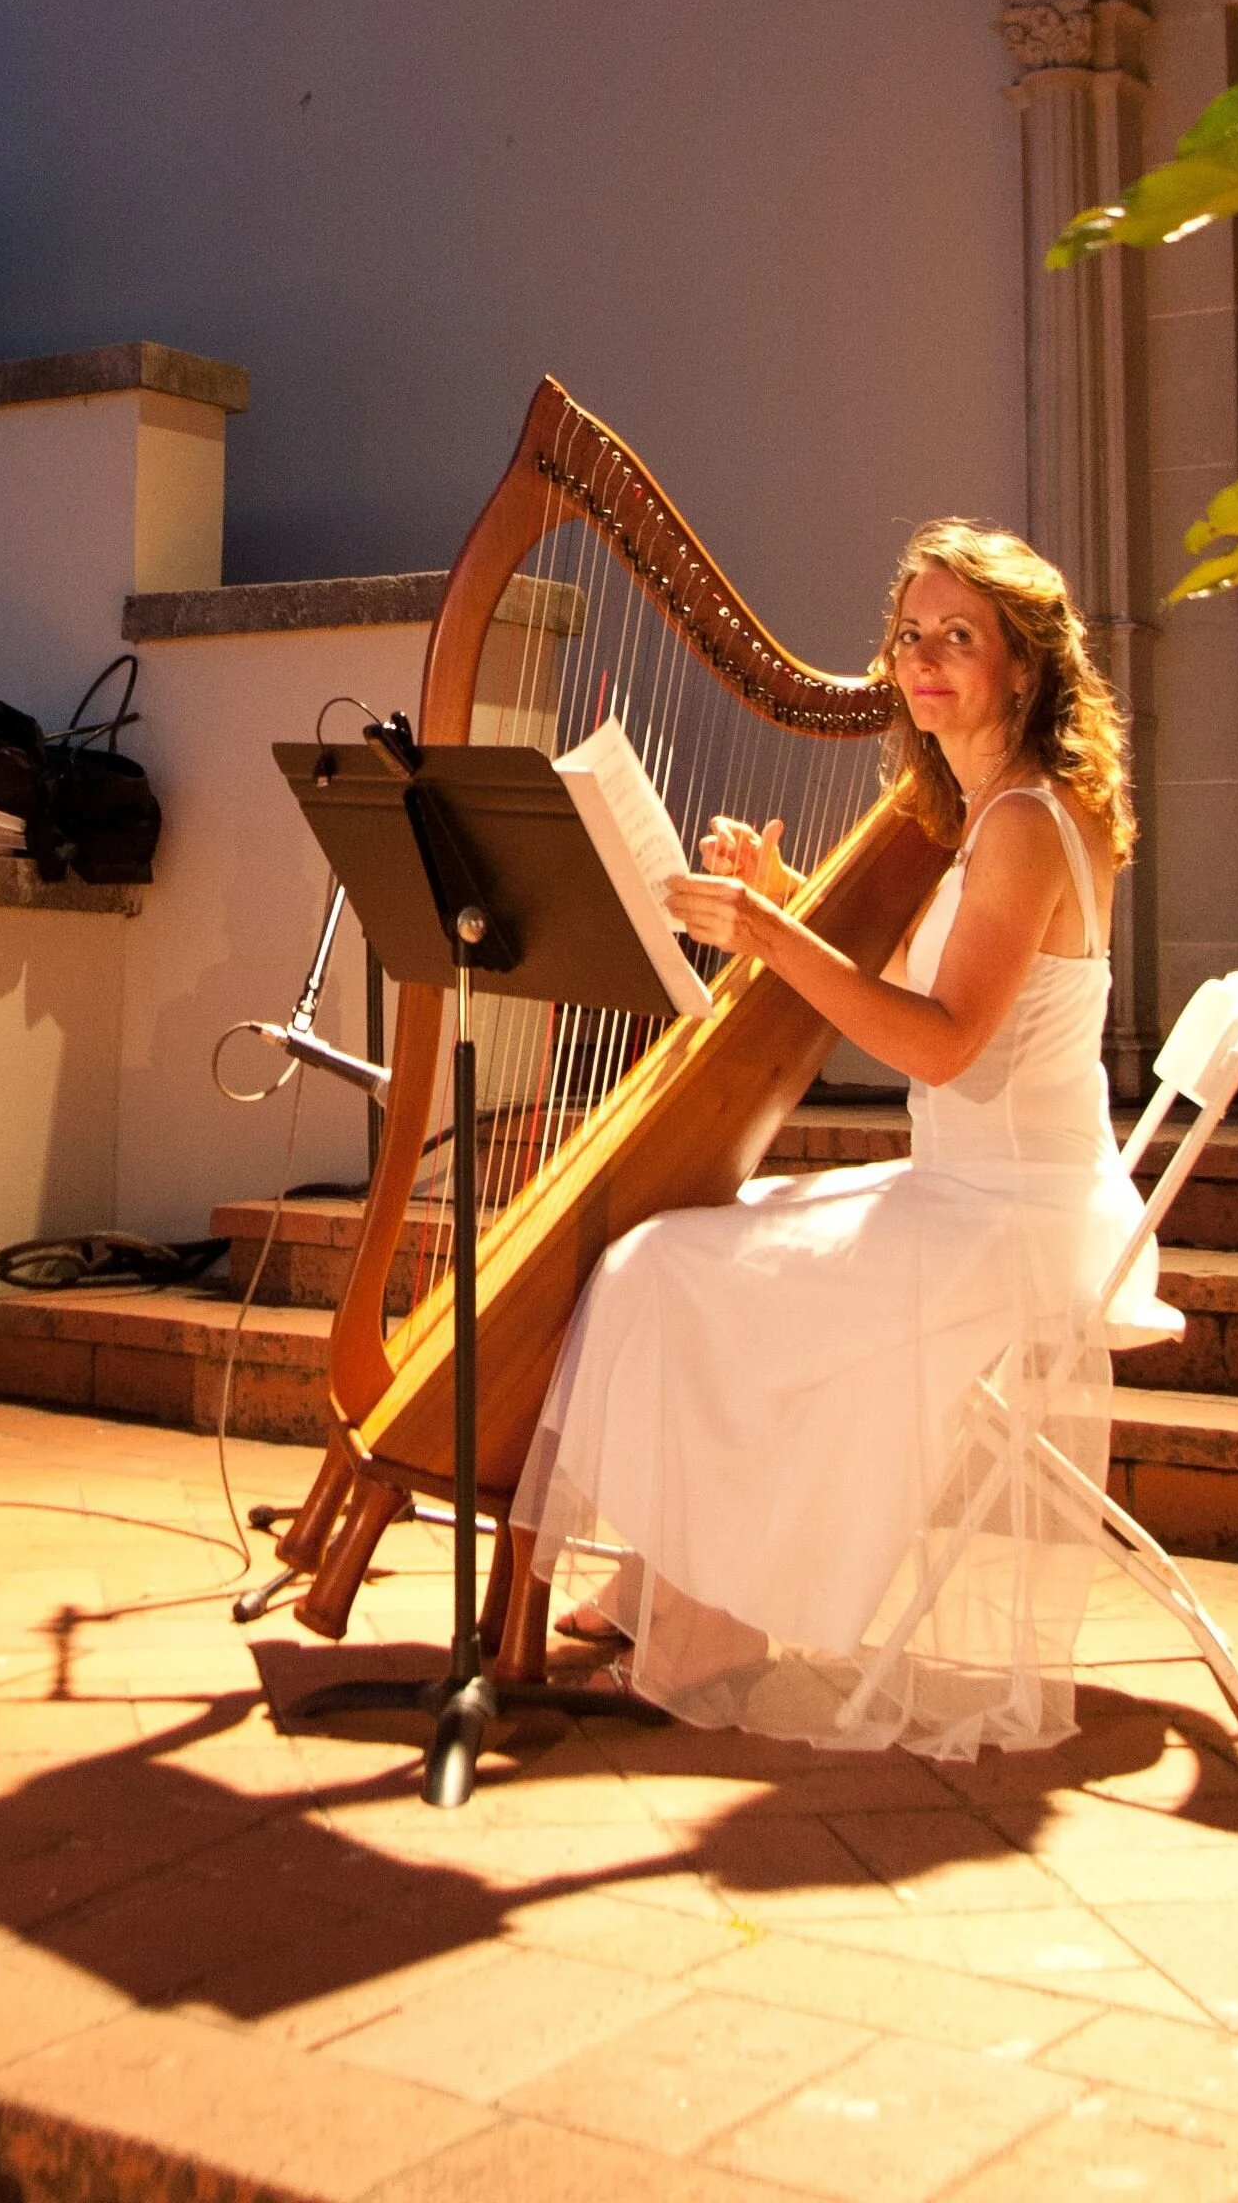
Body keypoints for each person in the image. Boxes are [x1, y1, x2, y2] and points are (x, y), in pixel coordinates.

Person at [508, 518, 1142, 1759]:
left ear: (1023, 666)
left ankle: (710, 1621)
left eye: (960, 636)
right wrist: (791, 900)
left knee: (680, 1275)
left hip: (1009, 1217)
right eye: (910, 635)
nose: (924, 659)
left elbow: (941, 1042)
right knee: (673, 1252)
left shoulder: (1019, 822)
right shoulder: (989, 804)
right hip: (971, 1190)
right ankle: (672, 1586)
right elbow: (929, 978)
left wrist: (767, 934)